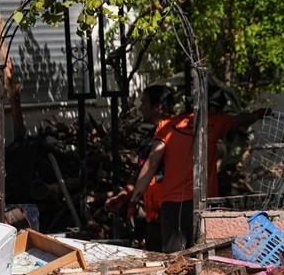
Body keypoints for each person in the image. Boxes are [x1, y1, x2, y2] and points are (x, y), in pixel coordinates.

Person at [141, 87, 267, 252]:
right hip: (187, 204)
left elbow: (150, 166)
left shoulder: (169, 126)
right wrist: (258, 114)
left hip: (173, 204)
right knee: (198, 253)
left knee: (176, 256)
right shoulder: (212, 124)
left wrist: (133, 197)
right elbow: (240, 120)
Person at [104, 85, 176, 247]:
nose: (141, 107)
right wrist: (125, 195)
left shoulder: (177, 134)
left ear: (158, 107)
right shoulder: (150, 138)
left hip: (172, 215)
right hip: (154, 217)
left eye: (144, 103)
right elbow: (142, 171)